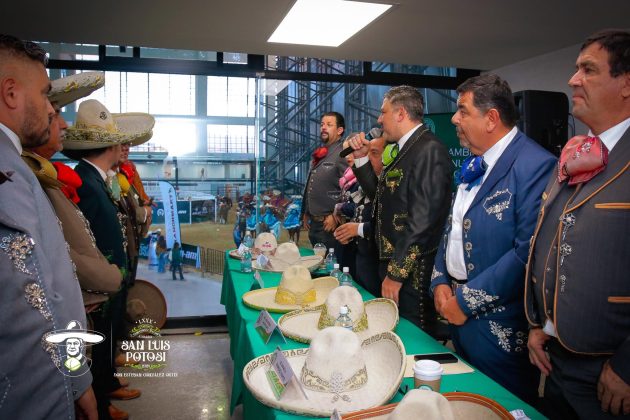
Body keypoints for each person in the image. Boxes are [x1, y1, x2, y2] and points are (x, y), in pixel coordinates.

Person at [430, 74, 556, 404]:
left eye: (462, 111)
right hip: (455, 315)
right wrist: (441, 280)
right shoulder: (475, 163)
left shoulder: (535, 165)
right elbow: (453, 228)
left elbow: (526, 251)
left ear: (491, 118)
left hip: (498, 327)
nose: (454, 119)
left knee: (500, 406)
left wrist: (465, 301)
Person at [525, 29, 630, 418]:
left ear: (626, 84)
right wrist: (540, 324)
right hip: (555, 357)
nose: (573, 80)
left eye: (588, 69)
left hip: (609, 371)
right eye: (575, 69)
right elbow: (550, 243)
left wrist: (626, 368)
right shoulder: (574, 154)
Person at [0, 34, 96, 419]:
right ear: (11, 93)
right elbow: (33, 296)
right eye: (44, 94)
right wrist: (74, 379)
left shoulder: (15, 164)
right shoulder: (9, 172)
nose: (49, 108)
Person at [63, 99, 150, 419]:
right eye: (120, 142)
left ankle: (104, 390)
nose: (124, 148)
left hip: (111, 278)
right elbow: (83, 240)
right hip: (99, 284)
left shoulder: (94, 179)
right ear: (111, 146)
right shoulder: (85, 182)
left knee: (107, 338)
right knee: (98, 343)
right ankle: (99, 403)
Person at [349, 86, 453, 334]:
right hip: (393, 264)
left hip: (412, 271)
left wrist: (396, 274)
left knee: (413, 337)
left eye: (383, 112)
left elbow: (423, 220)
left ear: (401, 113)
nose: (379, 119)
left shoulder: (429, 149)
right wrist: (362, 159)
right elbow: (383, 199)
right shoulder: (407, 149)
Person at [334, 136, 386, 297]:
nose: (367, 158)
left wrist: (357, 229)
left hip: (375, 260)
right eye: (367, 154)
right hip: (360, 256)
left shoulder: (389, 186)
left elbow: (389, 224)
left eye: (374, 153)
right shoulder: (366, 182)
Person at [301, 112, 348, 251]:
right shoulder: (321, 152)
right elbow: (311, 182)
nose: (323, 128)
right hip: (315, 224)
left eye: (329, 125)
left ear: (340, 130)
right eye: (322, 124)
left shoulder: (343, 153)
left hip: (330, 226)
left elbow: (351, 188)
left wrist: (337, 215)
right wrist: (306, 210)